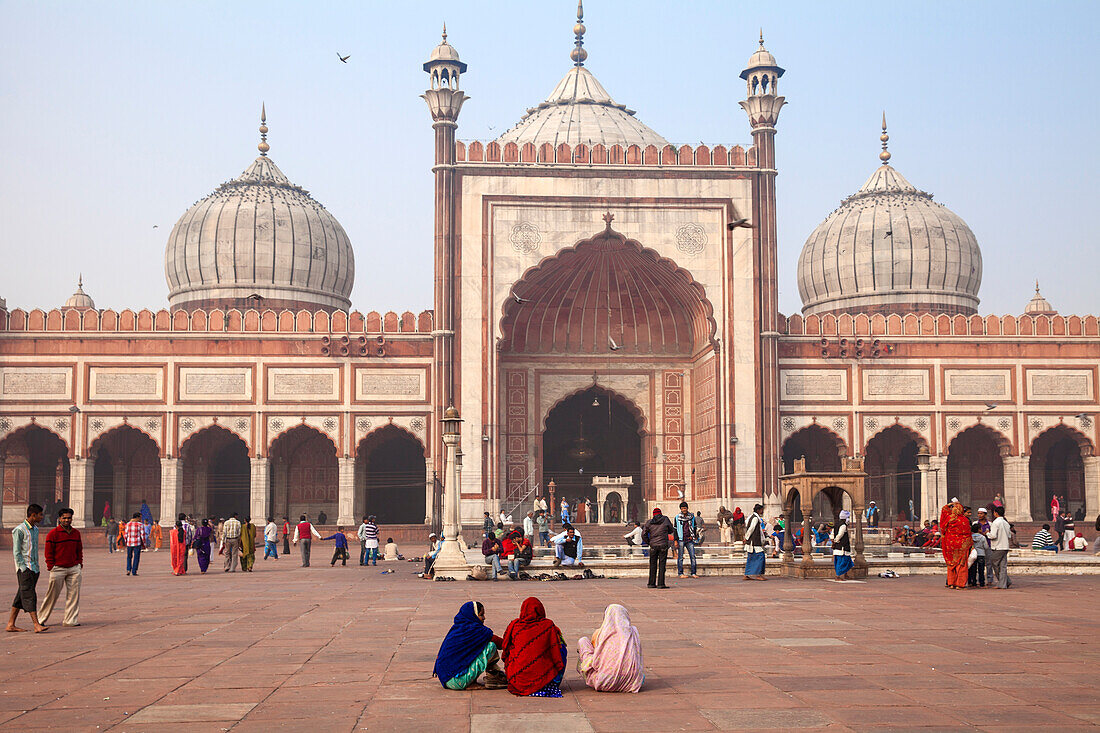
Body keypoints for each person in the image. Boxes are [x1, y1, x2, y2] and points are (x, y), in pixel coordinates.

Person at [433, 601, 507, 690]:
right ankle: (493, 676)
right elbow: (499, 643)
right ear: (473, 616)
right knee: (491, 647)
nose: (484, 618)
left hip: (446, 680)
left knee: (479, 648)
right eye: (481, 615)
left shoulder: (457, 628)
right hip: (456, 681)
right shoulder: (476, 630)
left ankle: (492, 675)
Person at [501, 597, 567, 697]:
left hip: (517, 681)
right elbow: (555, 651)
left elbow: (505, 649)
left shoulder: (514, 625)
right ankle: (553, 682)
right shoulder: (548, 625)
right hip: (545, 681)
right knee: (561, 649)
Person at [577, 603, 644, 693]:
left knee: (583, 641)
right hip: (632, 682)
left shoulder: (601, 633)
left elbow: (596, 663)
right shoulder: (633, 632)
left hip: (605, 682)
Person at [38, 507, 83, 628]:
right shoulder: (53, 534)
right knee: (52, 595)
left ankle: (70, 620)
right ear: (59, 519)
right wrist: (50, 566)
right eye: (64, 518)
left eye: (69, 518)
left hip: (74, 568)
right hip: (58, 568)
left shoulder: (76, 533)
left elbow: (79, 550)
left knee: (74, 595)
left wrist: (79, 563)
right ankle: (40, 619)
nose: (67, 520)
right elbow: (48, 552)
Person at [8, 504, 49, 633]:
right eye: (40, 515)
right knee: (30, 595)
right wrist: (23, 568)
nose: (42, 517)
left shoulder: (35, 530)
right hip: (25, 569)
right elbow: (17, 552)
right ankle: (36, 624)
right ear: (33, 515)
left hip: (34, 568)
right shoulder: (19, 530)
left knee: (21, 594)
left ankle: (10, 624)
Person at [940, 501, 973, 589]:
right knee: (961, 564)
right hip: (962, 546)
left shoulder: (949, 519)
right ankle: (960, 584)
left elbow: (943, 511)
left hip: (950, 545)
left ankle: (951, 583)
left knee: (951, 564)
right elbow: (968, 534)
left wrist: (950, 504)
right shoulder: (965, 520)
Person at [642, 508, 674, 588]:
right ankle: (661, 584)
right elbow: (671, 530)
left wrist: (649, 542)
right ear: (661, 513)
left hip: (653, 545)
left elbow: (643, 534)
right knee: (662, 565)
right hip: (663, 544)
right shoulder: (665, 519)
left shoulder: (649, 522)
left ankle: (651, 583)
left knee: (653, 564)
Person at [987, 505, 1012, 588]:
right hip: (1005, 546)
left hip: (998, 547)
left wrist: (987, 533)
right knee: (1003, 566)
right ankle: (1005, 583)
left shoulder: (996, 522)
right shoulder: (1006, 523)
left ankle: (1004, 582)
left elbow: (993, 535)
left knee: (994, 563)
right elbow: (1009, 536)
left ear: (996, 513)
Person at [673, 502, 699, 579]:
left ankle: (693, 573)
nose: (684, 509)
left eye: (685, 508)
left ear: (687, 508)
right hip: (681, 539)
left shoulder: (692, 517)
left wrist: (693, 536)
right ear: (680, 509)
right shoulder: (677, 517)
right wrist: (675, 540)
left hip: (689, 539)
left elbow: (694, 527)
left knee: (693, 556)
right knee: (680, 557)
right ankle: (680, 573)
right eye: (682, 508)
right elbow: (675, 530)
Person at [744, 503, 767, 581]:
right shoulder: (755, 518)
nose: (762, 511)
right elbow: (751, 528)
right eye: (761, 510)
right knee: (760, 557)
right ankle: (758, 574)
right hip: (754, 542)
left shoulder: (753, 517)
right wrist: (746, 538)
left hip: (753, 541)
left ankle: (747, 574)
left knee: (751, 557)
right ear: (758, 510)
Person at [122, 512, 146, 576]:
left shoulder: (128, 524)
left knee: (129, 557)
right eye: (140, 517)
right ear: (137, 517)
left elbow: (125, 534)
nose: (141, 519)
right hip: (137, 543)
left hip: (129, 543)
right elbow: (142, 535)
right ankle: (134, 571)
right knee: (136, 557)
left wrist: (125, 542)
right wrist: (144, 544)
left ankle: (128, 569)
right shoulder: (140, 525)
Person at [968, 522, 988, 587]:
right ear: (979, 530)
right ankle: (982, 583)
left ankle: (973, 582)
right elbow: (986, 547)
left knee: (973, 569)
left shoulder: (970, 537)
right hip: (981, 554)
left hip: (973, 554)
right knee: (981, 569)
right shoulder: (982, 537)